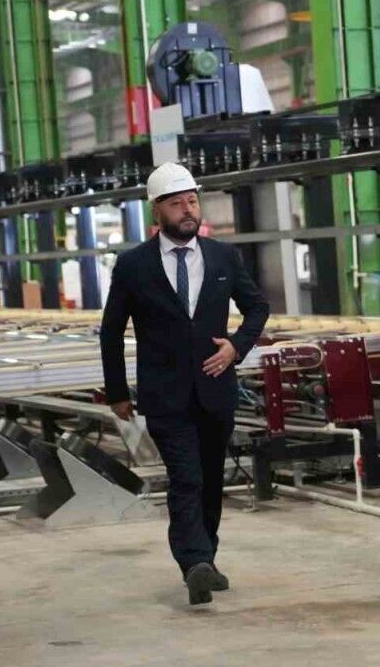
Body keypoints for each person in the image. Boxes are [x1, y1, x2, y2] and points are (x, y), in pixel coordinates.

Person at [100, 162, 270, 605]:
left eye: (192, 201)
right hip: (165, 394)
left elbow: (257, 308)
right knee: (186, 477)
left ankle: (204, 561)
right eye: (176, 204)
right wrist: (117, 392)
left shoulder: (223, 257)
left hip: (216, 390)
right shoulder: (133, 265)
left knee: (211, 479)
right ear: (157, 211)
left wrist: (236, 347)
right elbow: (111, 331)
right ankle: (194, 562)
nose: (187, 209)